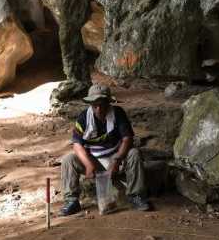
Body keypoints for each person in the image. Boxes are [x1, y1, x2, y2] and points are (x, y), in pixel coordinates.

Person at [59, 84, 151, 215]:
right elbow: (77, 145)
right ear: (90, 104)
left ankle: (135, 196)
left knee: (134, 153)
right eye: (95, 105)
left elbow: (127, 139)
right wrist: (88, 164)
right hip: (94, 162)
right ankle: (71, 201)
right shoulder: (83, 117)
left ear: (108, 102)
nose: (98, 108)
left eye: (102, 104)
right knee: (68, 159)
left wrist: (116, 161)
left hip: (116, 158)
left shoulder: (118, 113)